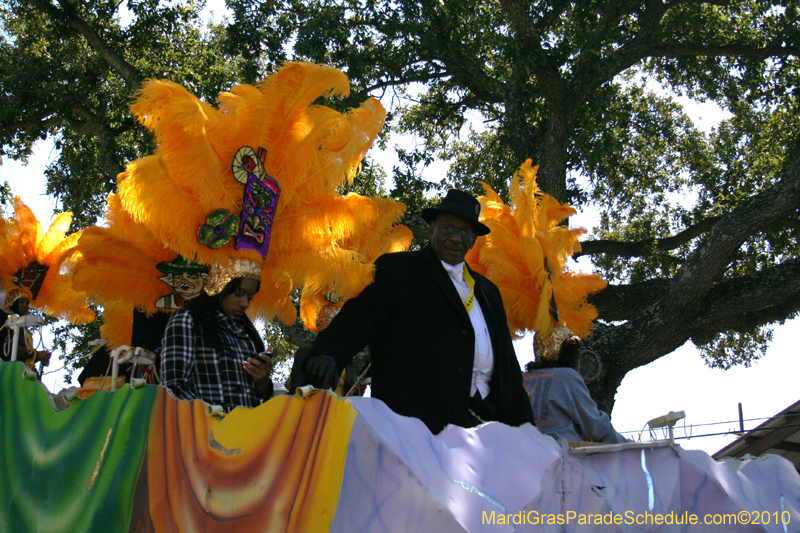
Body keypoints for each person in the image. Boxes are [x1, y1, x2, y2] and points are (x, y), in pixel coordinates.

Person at [305, 189, 534, 434]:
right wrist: (328, 351)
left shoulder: (489, 292)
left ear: (474, 240)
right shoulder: (399, 270)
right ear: (432, 228)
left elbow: (508, 367)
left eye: (465, 232)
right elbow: (359, 318)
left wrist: (527, 430)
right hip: (415, 430)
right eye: (448, 229)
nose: (456, 238)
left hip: (486, 431)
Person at [160, 259, 273, 411]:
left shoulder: (248, 334)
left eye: (250, 297)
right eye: (239, 293)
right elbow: (173, 386)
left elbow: (259, 398)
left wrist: (263, 382)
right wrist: (212, 418)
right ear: (219, 285)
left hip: (246, 431)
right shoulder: (188, 320)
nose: (244, 303)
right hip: (204, 431)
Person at [524, 333, 627, 444]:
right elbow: (595, 426)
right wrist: (629, 448)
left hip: (521, 455)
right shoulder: (566, 376)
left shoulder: (520, 379)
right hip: (560, 456)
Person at [0, 287, 51, 370]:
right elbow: (9, 349)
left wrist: (38, 357)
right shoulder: (5, 320)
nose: (25, 306)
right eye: (22, 302)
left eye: (27, 303)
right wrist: (36, 354)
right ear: (13, 303)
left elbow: (21, 357)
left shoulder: (22, 326)